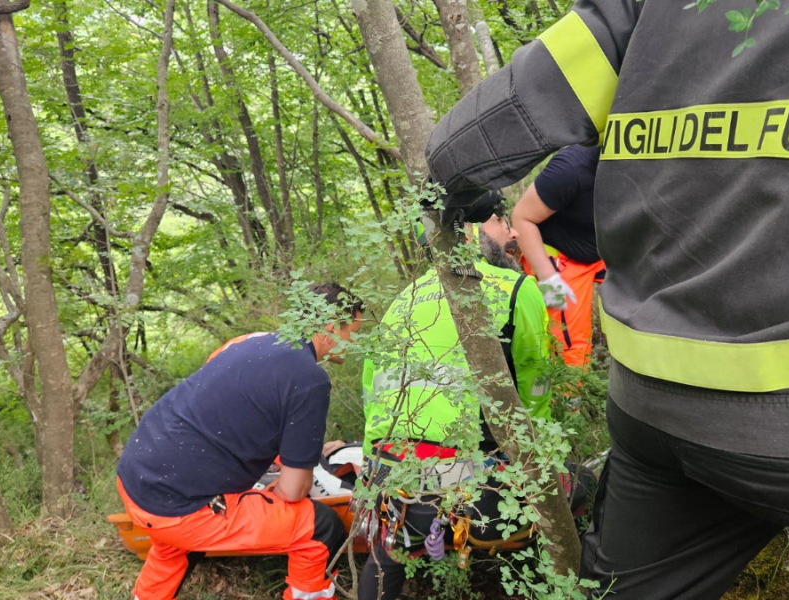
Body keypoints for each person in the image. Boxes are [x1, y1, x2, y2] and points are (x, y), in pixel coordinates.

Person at [423, 2, 789, 598]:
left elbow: (476, 135)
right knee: (568, 341)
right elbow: (526, 218)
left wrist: (452, 183)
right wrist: (547, 279)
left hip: (648, 400)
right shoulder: (571, 167)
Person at [357, 194, 552, 599]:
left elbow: (373, 397)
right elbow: (536, 390)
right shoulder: (516, 288)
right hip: (465, 484)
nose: (513, 232)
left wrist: (373, 472)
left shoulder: (401, 301)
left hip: (388, 473)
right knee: (577, 483)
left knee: (386, 554)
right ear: (468, 231)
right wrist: (540, 463)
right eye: (501, 221)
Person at [116, 282, 364, 600]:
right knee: (321, 527)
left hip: (137, 479)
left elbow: (229, 409)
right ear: (330, 327)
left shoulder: (249, 343)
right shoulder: (308, 379)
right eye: (353, 332)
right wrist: (286, 484)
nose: (355, 343)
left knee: (173, 547)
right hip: (181, 508)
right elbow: (292, 491)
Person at [513, 145, 606, 367]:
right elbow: (521, 218)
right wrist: (548, 278)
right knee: (570, 345)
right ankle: (570, 388)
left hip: (600, 248)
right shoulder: (572, 168)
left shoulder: (648, 165)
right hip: (560, 256)